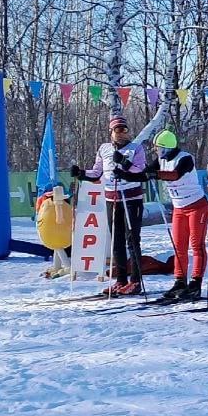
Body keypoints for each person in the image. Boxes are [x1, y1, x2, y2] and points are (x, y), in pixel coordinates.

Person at [70, 115, 147, 295]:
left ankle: (135, 281)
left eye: (124, 129)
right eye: (117, 130)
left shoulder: (136, 148)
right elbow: (96, 173)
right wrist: (81, 173)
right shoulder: (104, 149)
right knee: (116, 242)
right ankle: (120, 279)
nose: (121, 134)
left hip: (131, 198)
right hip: (112, 199)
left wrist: (124, 162)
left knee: (132, 240)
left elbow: (140, 170)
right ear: (111, 132)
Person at [144, 129, 208, 301]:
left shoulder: (185, 159)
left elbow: (175, 175)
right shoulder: (161, 160)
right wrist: (124, 169)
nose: (157, 151)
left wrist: (156, 174)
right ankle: (180, 281)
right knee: (179, 247)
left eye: (159, 148)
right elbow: (144, 173)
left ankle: (195, 283)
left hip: (197, 206)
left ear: (166, 148)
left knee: (196, 245)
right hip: (179, 208)